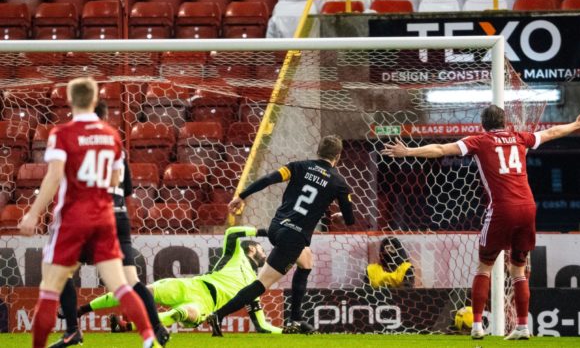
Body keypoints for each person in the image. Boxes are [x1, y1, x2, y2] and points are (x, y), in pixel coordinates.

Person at [381, 105, 580, 340]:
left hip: (502, 210)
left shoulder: (480, 141)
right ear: (505, 122)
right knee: (518, 270)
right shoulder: (519, 137)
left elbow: (441, 149)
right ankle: (523, 326)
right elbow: (552, 133)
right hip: (528, 208)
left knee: (485, 266)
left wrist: (409, 151)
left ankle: (476, 325)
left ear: (483, 124)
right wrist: (576, 125)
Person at [17, 77, 158, 348]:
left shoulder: (62, 133)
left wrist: (33, 213)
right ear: (95, 101)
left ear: (70, 101)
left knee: (50, 285)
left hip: (73, 217)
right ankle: (149, 337)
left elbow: (54, 177)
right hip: (105, 216)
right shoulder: (112, 136)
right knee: (121, 285)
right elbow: (116, 179)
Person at [206, 135, 356, 337]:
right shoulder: (339, 183)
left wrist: (241, 196)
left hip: (277, 227)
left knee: (306, 262)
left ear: (318, 151)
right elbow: (349, 219)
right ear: (338, 157)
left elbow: (268, 180)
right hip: (293, 236)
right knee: (262, 284)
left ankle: (295, 319)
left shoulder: (298, 166)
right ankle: (218, 315)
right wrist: (339, 217)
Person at [50, 101, 169, 348]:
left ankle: (73, 332)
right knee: (131, 280)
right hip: (118, 216)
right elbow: (127, 189)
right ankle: (158, 328)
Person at [75, 226, 283, 334]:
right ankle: (81, 311)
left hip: (205, 304)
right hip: (192, 285)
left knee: (187, 314)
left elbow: (263, 326)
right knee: (142, 291)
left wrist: (286, 330)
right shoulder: (234, 255)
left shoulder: (254, 287)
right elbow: (231, 233)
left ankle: (127, 326)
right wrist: (264, 232)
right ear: (252, 248)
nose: (265, 255)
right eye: (262, 249)